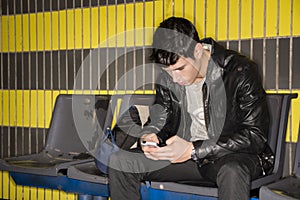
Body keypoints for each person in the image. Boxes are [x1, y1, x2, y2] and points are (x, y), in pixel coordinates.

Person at [108, 17, 273, 200]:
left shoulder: (240, 71)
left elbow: (255, 135)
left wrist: (194, 149)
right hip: (185, 158)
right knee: (120, 162)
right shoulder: (168, 77)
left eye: (180, 68)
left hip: (228, 157)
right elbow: (162, 118)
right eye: (168, 71)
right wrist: (152, 135)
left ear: (198, 49)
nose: (175, 78)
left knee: (232, 171)